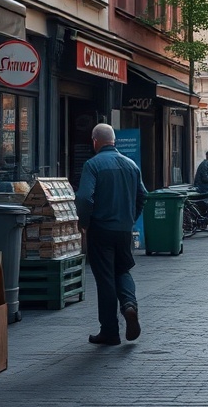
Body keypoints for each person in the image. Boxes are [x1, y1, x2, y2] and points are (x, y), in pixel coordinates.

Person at [76, 123, 148, 346]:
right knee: (122, 270)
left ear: (95, 140)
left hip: (101, 229)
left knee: (105, 278)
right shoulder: (131, 165)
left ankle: (109, 330)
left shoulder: (93, 165)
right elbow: (143, 195)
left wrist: (84, 223)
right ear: (114, 141)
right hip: (123, 230)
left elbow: (85, 198)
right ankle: (129, 305)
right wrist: (129, 218)